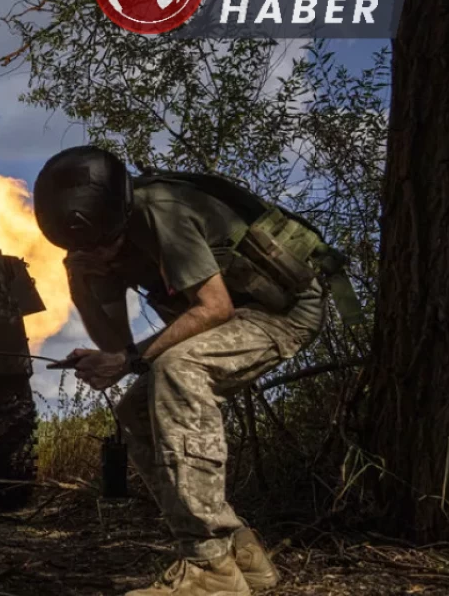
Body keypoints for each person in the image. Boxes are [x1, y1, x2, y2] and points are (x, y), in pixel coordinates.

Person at [32, 145, 334, 596]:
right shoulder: (93, 247)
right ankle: (240, 555)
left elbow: (215, 308)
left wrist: (131, 359)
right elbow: (116, 346)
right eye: (85, 247)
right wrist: (80, 281)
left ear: (120, 213)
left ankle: (209, 567)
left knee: (178, 366)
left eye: (102, 242)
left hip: (283, 310)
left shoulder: (162, 212)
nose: (99, 252)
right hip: (236, 315)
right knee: (136, 408)